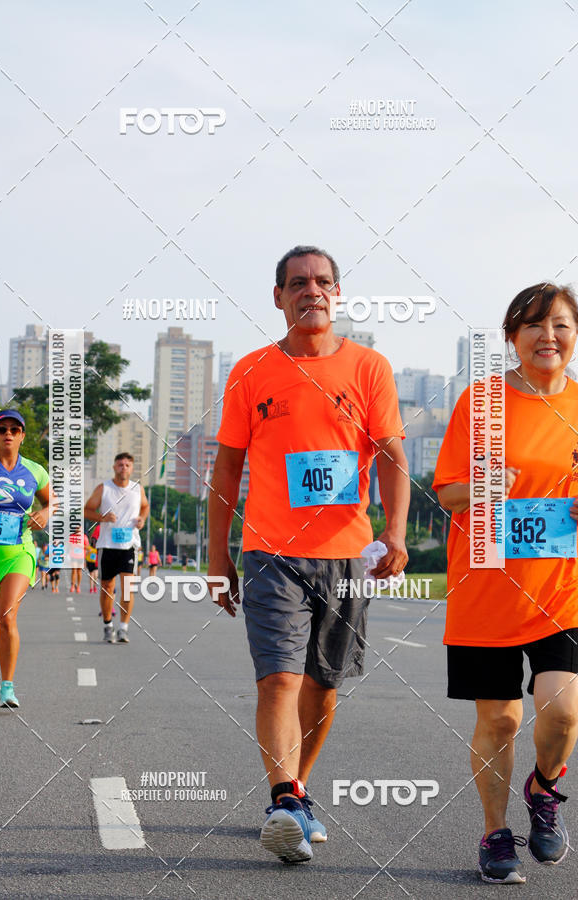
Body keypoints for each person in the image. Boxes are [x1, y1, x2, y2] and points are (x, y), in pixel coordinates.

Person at [208, 245, 409, 863]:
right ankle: (283, 802)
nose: (311, 291)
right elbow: (227, 468)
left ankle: (298, 789)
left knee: (323, 689)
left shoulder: (370, 367)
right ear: (279, 297)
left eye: (322, 281)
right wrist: (218, 556)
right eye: (298, 283)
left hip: (347, 556)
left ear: (337, 293)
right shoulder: (251, 371)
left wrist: (396, 532)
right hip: (271, 553)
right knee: (278, 681)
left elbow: (395, 458)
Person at [434, 283, 578, 884]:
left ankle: (543, 790)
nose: (549, 336)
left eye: (562, 326)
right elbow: (446, 493)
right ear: (512, 338)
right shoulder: (483, 402)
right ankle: (495, 835)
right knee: (500, 720)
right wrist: (488, 485)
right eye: (535, 326)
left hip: (561, 589)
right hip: (487, 587)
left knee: (563, 712)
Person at [0, 409, 53, 708]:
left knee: (7, 616)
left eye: (14, 429)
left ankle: (7, 687)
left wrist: (46, 513)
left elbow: (51, 502)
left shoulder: (35, 471)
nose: (7, 434)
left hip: (19, 553)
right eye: (2, 429)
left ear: (22, 436)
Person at [84, 452, 148, 643]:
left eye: (127, 465)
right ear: (114, 467)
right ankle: (107, 625)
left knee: (128, 588)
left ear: (132, 468)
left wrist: (142, 519)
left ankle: (123, 628)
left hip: (129, 545)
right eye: (120, 465)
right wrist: (102, 518)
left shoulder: (138, 489)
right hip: (107, 546)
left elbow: (144, 506)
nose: (124, 468)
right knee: (107, 587)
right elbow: (87, 510)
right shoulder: (104, 488)